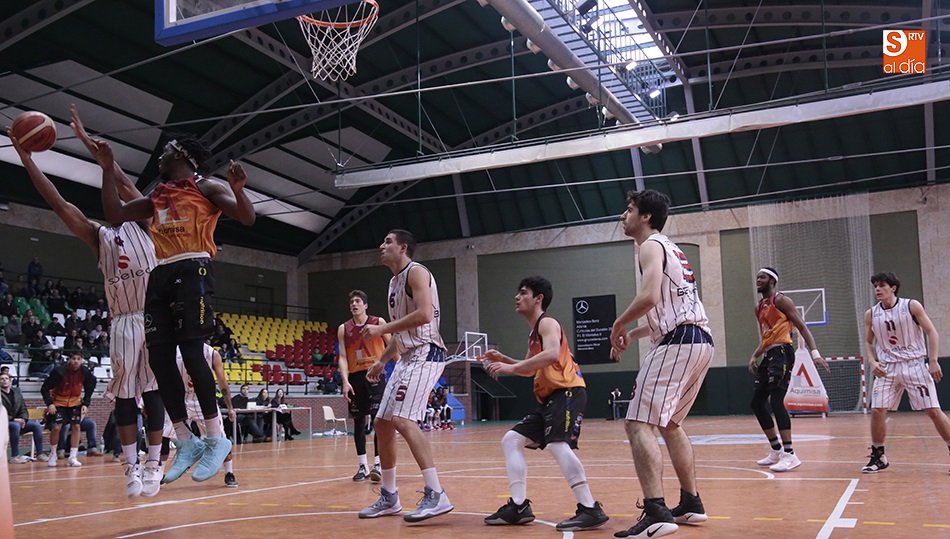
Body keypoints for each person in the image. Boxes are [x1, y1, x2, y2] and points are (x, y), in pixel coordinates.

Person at [9, 107, 167, 498]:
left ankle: (154, 462)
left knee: (154, 392)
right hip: (124, 323)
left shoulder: (146, 221)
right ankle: (131, 467)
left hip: (155, 318)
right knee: (127, 395)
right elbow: (58, 202)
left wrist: (91, 148)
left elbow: (127, 184)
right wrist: (26, 159)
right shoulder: (99, 236)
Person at [96, 122, 255, 484]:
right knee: (159, 358)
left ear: (181, 154)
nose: (160, 154)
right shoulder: (157, 195)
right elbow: (115, 213)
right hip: (161, 274)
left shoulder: (207, 186)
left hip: (194, 269)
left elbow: (247, 217)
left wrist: (240, 191)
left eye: (166, 148)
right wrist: (107, 168)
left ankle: (215, 436)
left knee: (192, 351)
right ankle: (185, 438)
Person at [609, 189, 715, 539]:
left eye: (629, 210)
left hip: (679, 342)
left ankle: (656, 511)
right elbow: (665, 310)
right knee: (669, 423)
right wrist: (635, 334)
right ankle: (691, 503)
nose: (623, 216)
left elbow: (650, 296)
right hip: (699, 340)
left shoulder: (650, 246)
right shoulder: (671, 248)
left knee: (637, 422)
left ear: (646, 217)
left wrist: (619, 324)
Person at [484, 276, 609, 531]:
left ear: (538, 298)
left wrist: (510, 366)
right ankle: (518, 506)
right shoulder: (534, 334)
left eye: (523, 293)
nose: (517, 298)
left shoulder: (548, 323)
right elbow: (531, 369)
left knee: (557, 445)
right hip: (551, 398)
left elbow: (551, 354)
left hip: (568, 392)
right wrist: (505, 359)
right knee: (512, 439)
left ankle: (589, 508)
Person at [358, 229, 453, 522]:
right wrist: (380, 362)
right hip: (407, 356)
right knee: (382, 422)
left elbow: (424, 315)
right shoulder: (393, 283)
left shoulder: (416, 273)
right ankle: (389, 496)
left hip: (427, 352)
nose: (381, 245)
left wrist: (381, 329)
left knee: (402, 419)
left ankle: (437, 494)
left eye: (388, 241)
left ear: (404, 248)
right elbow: (401, 333)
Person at [861, 271, 950, 473]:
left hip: (914, 364)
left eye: (882, 285)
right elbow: (868, 341)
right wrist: (872, 361)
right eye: (875, 286)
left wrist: (933, 361)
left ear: (893, 288)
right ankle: (878, 455)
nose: (877, 289)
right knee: (877, 409)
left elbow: (932, 332)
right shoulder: (872, 313)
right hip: (887, 368)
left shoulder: (911, 306)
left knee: (933, 410)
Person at [748, 267, 829, 473]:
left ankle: (790, 454)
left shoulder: (781, 301)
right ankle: (775, 449)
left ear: (772, 281)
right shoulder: (760, 307)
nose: (758, 280)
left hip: (783, 353)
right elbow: (768, 337)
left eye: (763, 277)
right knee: (757, 403)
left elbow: (802, 327)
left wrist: (815, 353)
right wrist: (755, 355)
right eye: (757, 277)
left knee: (776, 400)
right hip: (770, 353)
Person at [162, 343, 238, 487]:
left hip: (204, 401)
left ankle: (229, 473)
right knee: (166, 434)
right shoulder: (173, 351)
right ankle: (159, 474)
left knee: (219, 440)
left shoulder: (212, 353)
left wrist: (230, 407)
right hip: (182, 400)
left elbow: (222, 382)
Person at [337, 289, 390, 482]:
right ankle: (362, 466)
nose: (354, 304)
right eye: (352, 302)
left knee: (378, 421)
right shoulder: (344, 328)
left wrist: (400, 369)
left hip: (375, 375)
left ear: (365, 305)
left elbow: (392, 347)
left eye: (358, 301)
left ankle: (378, 463)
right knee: (358, 422)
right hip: (356, 377)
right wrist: (345, 381)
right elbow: (342, 357)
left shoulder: (379, 323)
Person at [40, 351, 96, 467]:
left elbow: (90, 387)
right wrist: (50, 404)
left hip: (75, 402)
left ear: (81, 361)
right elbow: (44, 388)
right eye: (74, 358)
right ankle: (53, 454)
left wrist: (86, 403)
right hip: (59, 402)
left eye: (78, 359)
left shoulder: (85, 372)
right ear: (69, 360)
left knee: (76, 426)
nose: (76, 361)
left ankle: (72, 456)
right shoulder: (59, 371)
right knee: (56, 427)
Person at [2, 372, 47, 462]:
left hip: (18, 421)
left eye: (6, 378)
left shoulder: (17, 392)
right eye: (1, 379)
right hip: (4, 421)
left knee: (36, 426)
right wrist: (14, 419)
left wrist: (24, 419)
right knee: (15, 425)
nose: (4, 380)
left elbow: (23, 408)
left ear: (10, 381)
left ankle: (40, 454)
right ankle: (15, 456)